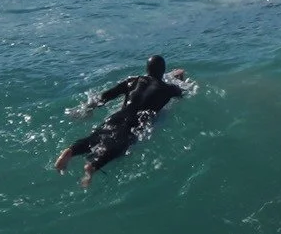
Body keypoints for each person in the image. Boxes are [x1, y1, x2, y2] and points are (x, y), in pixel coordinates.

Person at [54, 55, 194, 185]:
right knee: (120, 145)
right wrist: (179, 78)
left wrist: (88, 109)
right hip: (136, 122)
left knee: (96, 137)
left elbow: (105, 96)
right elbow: (183, 91)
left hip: (117, 116)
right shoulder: (168, 89)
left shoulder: (133, 81)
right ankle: (93, 167)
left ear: (146, 70)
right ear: (163, 72)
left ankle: (71, 151)